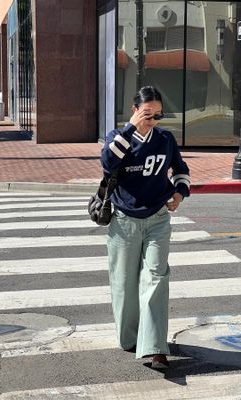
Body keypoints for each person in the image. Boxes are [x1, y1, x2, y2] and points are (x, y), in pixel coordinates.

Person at [101, 86, 190, 369]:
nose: (152, 120)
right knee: (124, 284)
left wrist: (179, 193)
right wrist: (130, 129)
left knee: (156, 277)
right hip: (124, 221)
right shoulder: (118, 137)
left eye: (156, 115)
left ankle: (154, 348)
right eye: (146, 114)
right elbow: (107, 163)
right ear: (134, 110)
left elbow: (180, 168)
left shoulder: (164, 139)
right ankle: (130, 339)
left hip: (157, 220)